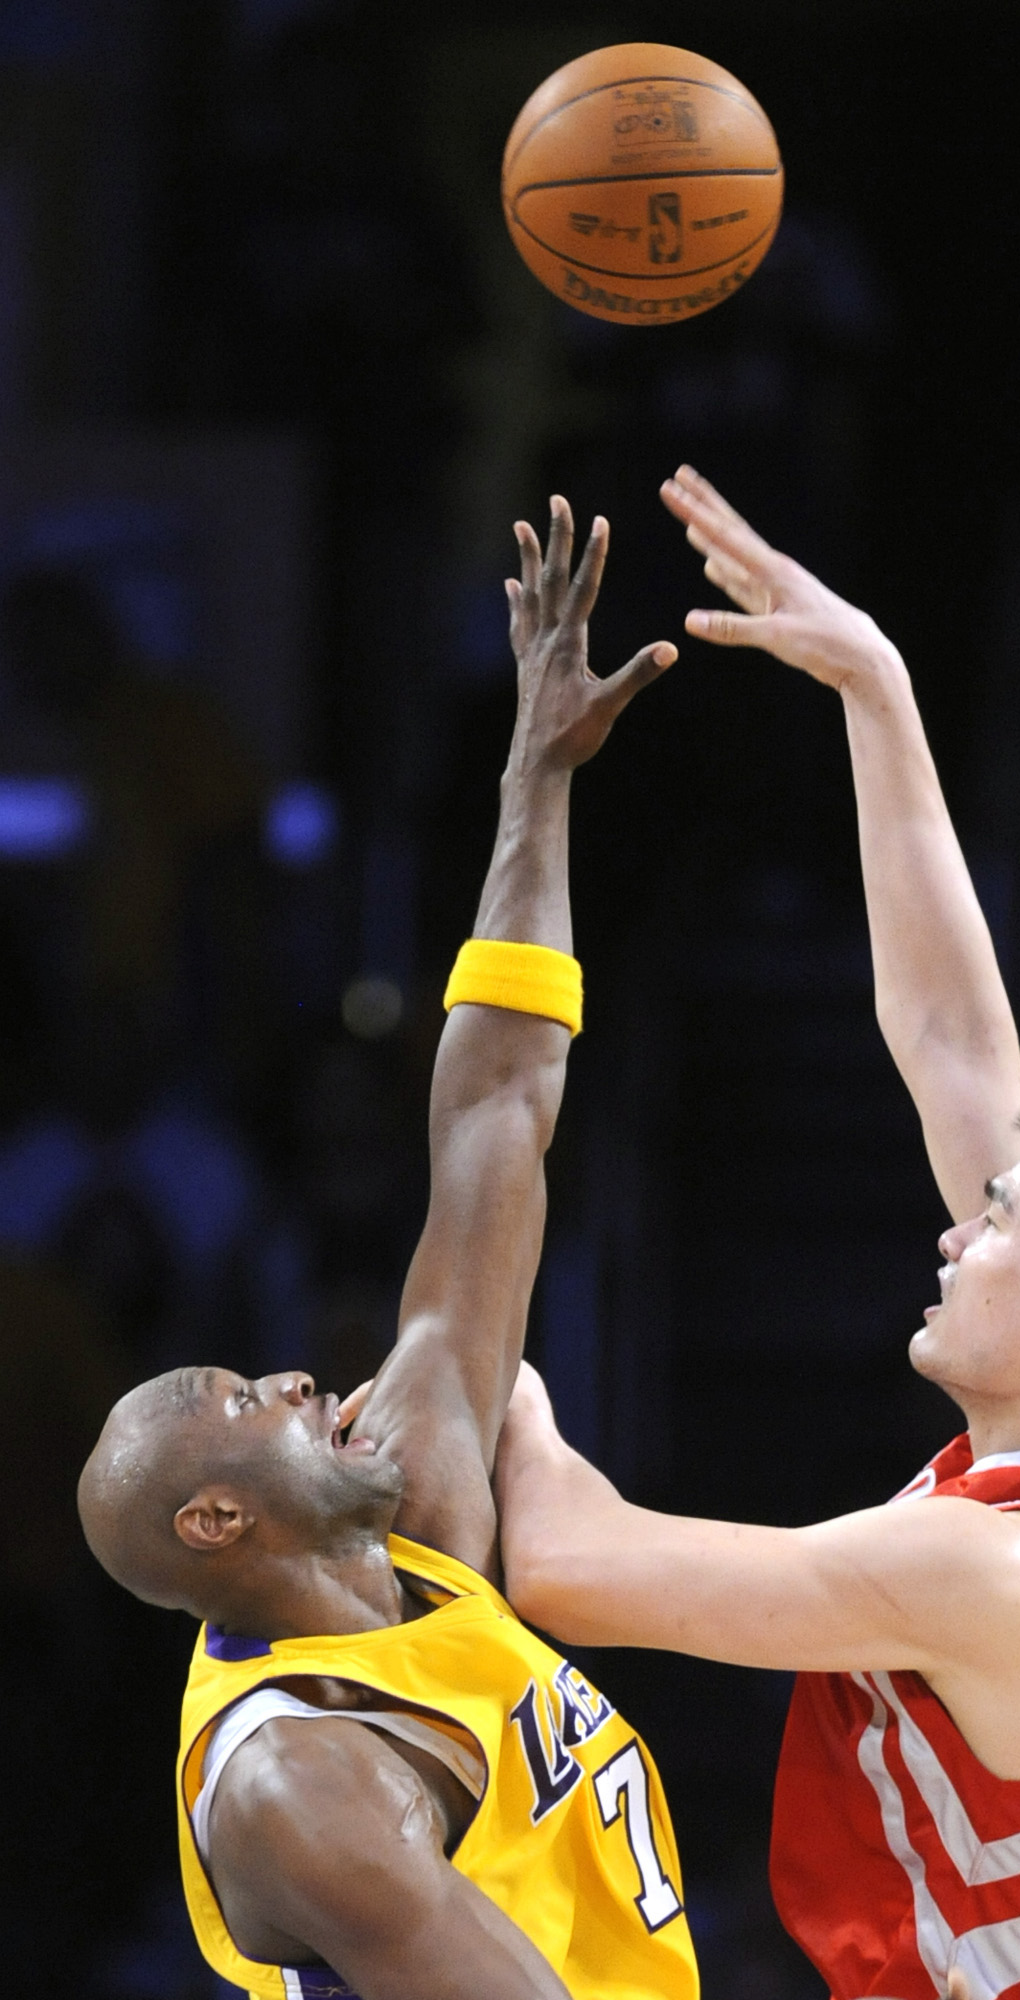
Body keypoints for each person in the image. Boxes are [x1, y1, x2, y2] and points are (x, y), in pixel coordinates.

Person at [496, 469, 1020, 2000]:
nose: (950, 1237)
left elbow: (577, 1567)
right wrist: (877, 685)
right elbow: (955, 1046)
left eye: (989, 1227)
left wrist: (487, 1362)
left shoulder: (998, 1570)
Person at [78, 500, 699, 2000]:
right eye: (247, 1399)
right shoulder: (300, 1790)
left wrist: (533, 782)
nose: (296, 1376)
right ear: (222, 1524)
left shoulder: (407, 1500)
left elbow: (495, 1109)